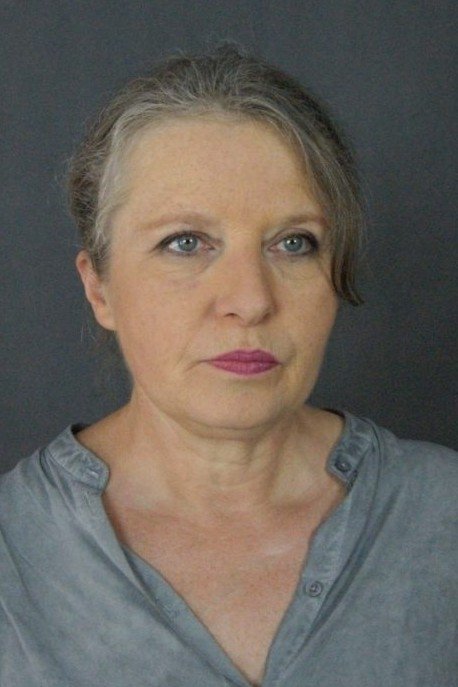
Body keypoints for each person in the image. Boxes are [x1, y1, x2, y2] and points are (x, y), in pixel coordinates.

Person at [0, 45, 456, 687]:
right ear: (99, 288)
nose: (251, 299)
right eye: (184, 242)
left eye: (294, 243)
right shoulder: (13, 553)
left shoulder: (443, 518)